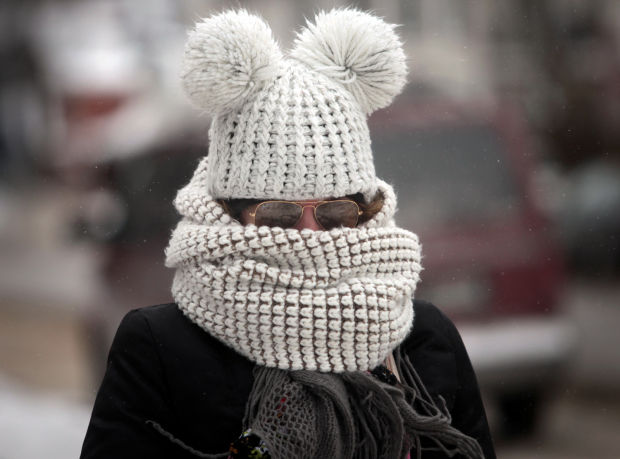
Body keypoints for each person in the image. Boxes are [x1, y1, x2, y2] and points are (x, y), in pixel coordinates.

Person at [81, 8, 495, 459]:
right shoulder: (161, 348)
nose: (309, 235)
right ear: (227, 211)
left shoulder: (423, 339)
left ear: (364, 210)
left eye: (335, 214)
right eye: (279, 216)